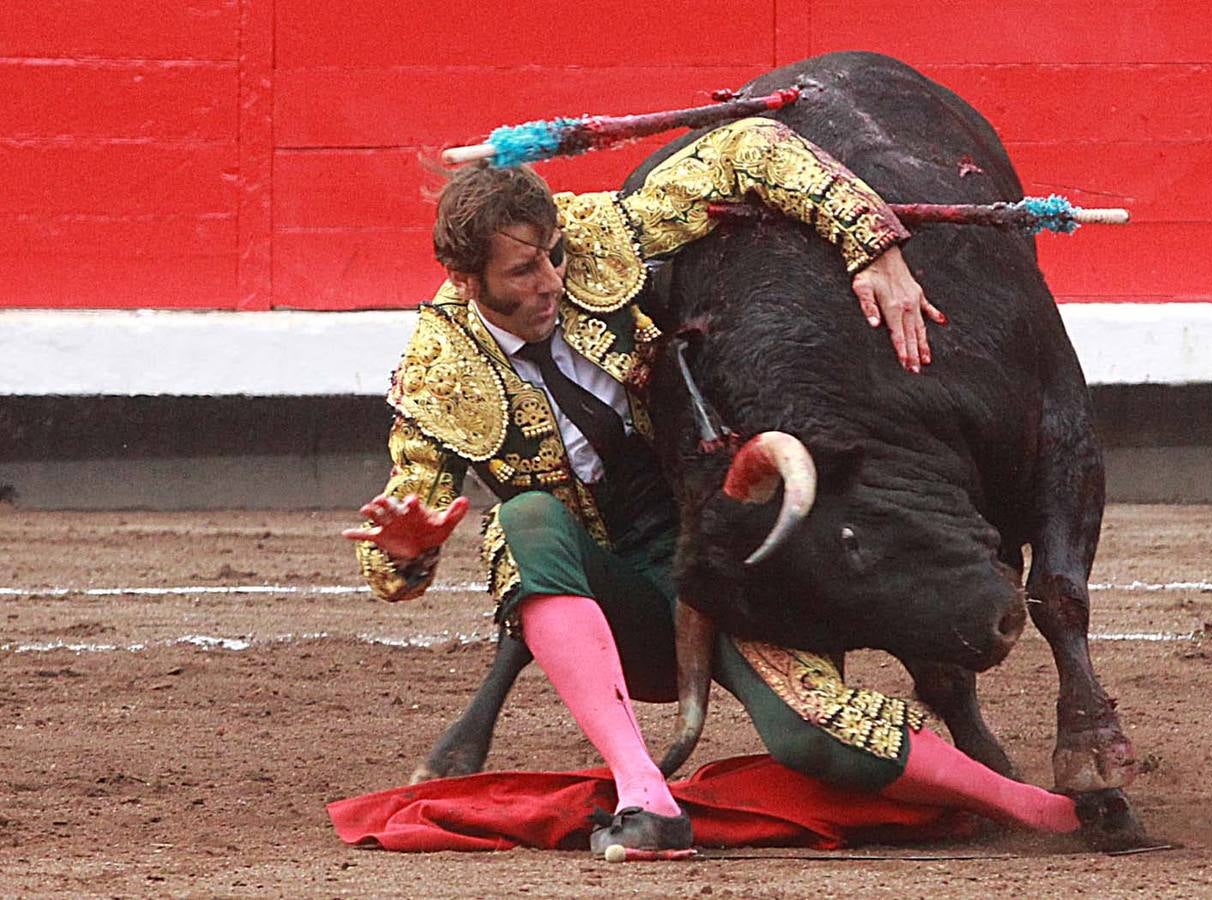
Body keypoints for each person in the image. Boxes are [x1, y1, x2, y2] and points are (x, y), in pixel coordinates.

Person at [344, 117, 1081, 855]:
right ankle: (644, 794)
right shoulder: (440, 366)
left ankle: (1036, 808)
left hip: (718, 552)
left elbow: (748, 147)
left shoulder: (595, 236)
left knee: (817, 741)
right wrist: (407, 552)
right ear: (468, 281)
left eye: (555, 258)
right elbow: (392, 566)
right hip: (614, 598)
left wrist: (874, 246)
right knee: (524, 521)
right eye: (523, 274)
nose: (553, 283)